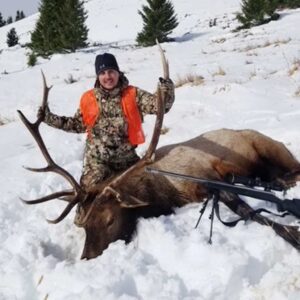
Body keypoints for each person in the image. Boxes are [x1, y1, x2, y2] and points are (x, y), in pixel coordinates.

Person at [38, 52, 175, 188]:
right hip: (98, 163)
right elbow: (77, 125)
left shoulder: (133, 94)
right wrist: (49, 118)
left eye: (111, 71)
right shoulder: (89, 98)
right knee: (93, 191)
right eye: (102, 73)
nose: (107, 76)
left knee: (146, 188)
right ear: (98, 76)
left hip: (127, 161)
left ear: (118, 73)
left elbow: (161, 107)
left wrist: (166, 91)